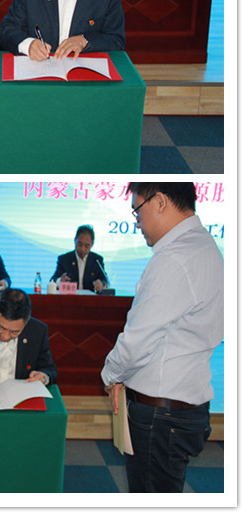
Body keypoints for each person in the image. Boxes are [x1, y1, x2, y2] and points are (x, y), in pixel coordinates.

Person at [101, 183, 224, 493]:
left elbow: (138, 339)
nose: (137, 223)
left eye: (137, 211)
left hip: (161, 414)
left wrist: (111, 376)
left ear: (159, 202)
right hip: (182, 406)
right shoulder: (205, 247)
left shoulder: (175, 259)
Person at [51, 224, 108, 292]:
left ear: (92, 244)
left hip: (90, 298)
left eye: (87, 245)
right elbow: (53, 280)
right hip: (70, 297)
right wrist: (60, 281)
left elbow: (105, 280)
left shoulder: (97, 260)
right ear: (75, 240)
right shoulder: (64, 259)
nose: (82, 249)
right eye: (80, 244)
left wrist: (102, 284)